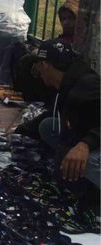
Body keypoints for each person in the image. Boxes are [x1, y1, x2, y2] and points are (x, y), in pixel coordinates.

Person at [34, 40, 99, 189]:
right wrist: (20, 132)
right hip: (93, 135)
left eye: (38, 67)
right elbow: (56, 116)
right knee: (48, 126)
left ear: (45, 65)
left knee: (86, 162)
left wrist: (85, 144)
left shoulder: (87, 86)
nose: (38, 74)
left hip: (95, 139)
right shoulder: (68, 82)